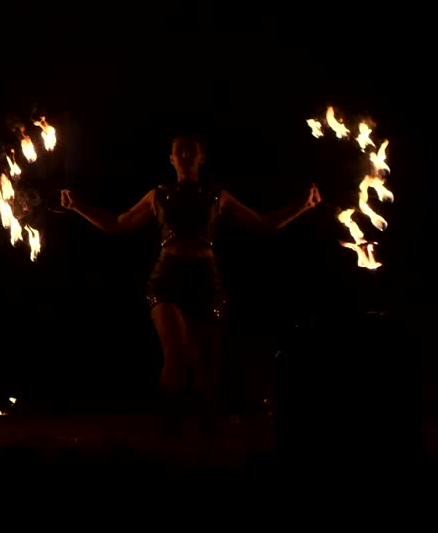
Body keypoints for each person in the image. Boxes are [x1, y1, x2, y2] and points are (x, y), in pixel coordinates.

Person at [60, 134, 320, 438]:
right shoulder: (157, 195)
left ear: (201, 158)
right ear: (171, 159)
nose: (183, 154)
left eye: (190, 151)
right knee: (177, 351)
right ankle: (168, 431)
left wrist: (304, 206)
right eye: (178, 151)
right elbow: (119, 224)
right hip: (167, 277)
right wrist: (77, 206)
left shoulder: (216, 195)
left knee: (207, 365)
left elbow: (260, 224)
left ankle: (204, 439)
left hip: (205, 278)